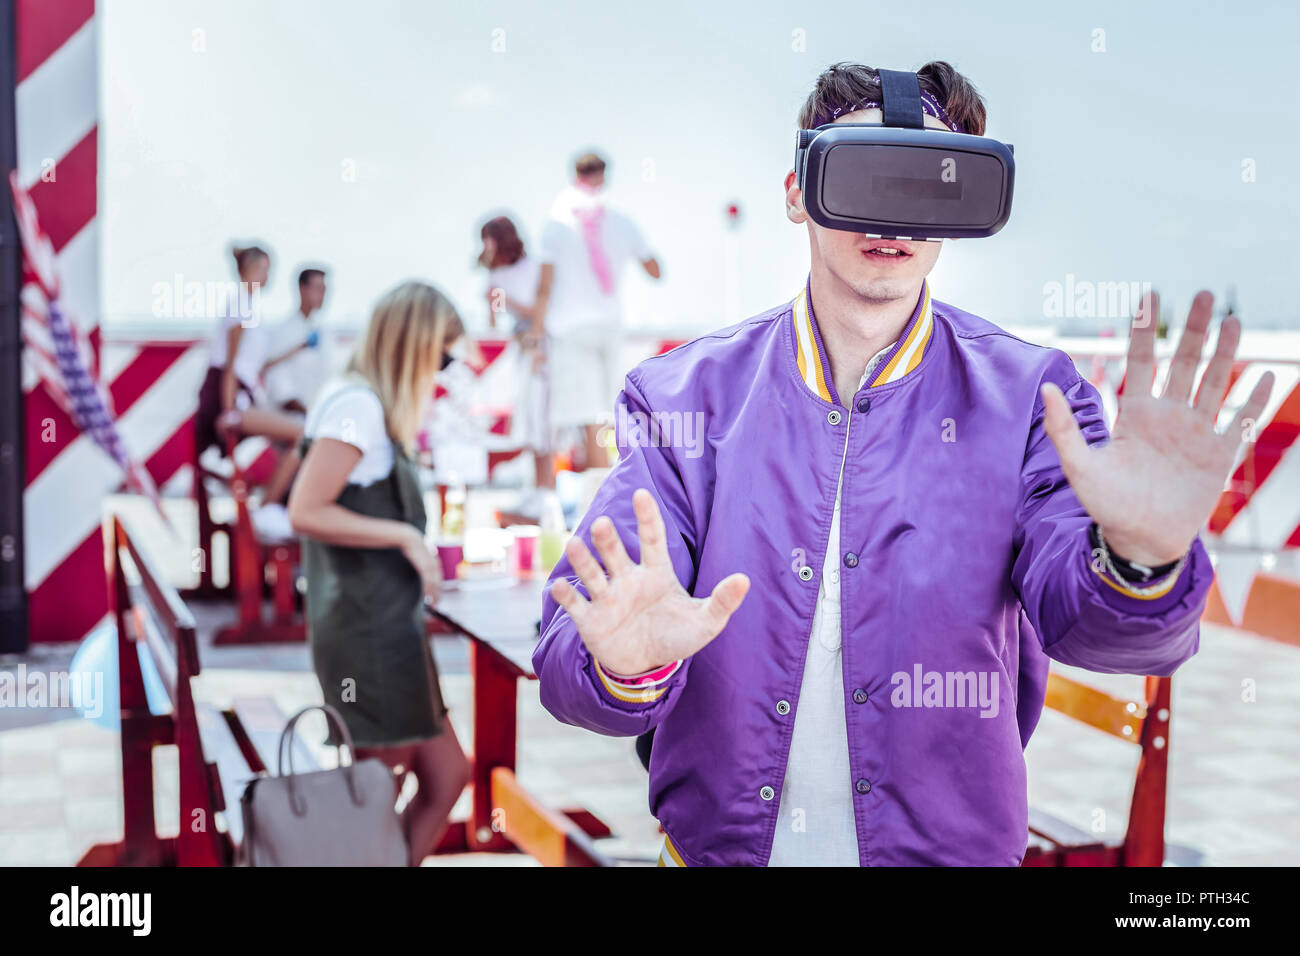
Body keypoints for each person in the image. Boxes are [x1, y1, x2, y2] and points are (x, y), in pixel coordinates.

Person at [532, 61, 1275, 867]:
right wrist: (623, 663)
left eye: (928, 182)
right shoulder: (682, 396)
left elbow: (1096, 631)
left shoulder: (1033, 398)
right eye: (861, 175)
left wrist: (1140, 559)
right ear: (797, 192)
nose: (891, 216)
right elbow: (577, 654)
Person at [287, 280, 472, 866]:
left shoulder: (366, 404)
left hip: (391, 628)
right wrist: (404, 537)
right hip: (367, 633)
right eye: (442, 353)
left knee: (447, 774)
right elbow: (305, 508)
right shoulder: (357, 407)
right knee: (377, 793)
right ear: (414, 346)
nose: (444, 369)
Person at [536, 152, 660, 470]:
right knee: (607, 412)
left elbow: (544, 286)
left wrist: (535, 334)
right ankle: (613, 484)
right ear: (604, 175)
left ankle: (598, 492)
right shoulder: (620, 219)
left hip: (570, 329)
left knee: (587, 417)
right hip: (609, 324)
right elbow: (654, 269)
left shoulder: (556, 221)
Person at [195, 244, 305, 540]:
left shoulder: (248, 306)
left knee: (291, 441)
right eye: (265, 269)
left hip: (240, 395)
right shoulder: (241, 304)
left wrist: (296, 350)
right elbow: (230, 367)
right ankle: (267, 510)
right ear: (251, 270)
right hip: (232, 399)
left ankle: (271, 505)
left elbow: (254, 365)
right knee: (302, 436)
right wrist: (229, 411)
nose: (268, 276)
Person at [479, 215, 554, 490]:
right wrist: (492, 300)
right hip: (523, 349)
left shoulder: (534, 267)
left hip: (540, 345)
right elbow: (494, 320)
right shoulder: (495, 274)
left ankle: (547, 488)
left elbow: (540, 310)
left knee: (542, 421)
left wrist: (506, 299)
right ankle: (540, 488)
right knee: (530, 422)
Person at [264, 267, 330, 415]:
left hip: (318, 414)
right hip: (291, 419)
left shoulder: (323, 331)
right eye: (318, 288)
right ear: (302, 289)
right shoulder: (282, 331)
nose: (323, 294)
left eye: (324, 289)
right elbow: (277, 380)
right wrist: (305, 411)